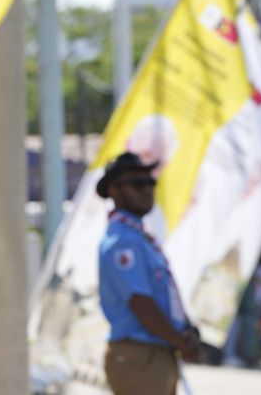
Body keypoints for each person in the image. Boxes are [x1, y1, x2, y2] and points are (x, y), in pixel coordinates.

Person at [96, 152, 201, 395]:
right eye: (138, 183)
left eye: (151, 182)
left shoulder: (139, 237)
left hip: (154, 353)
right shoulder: (122, 241)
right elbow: (140, 303)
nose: (147, 189)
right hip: (139, 355)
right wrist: (179, 341)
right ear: (113, 190)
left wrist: (186, 330)